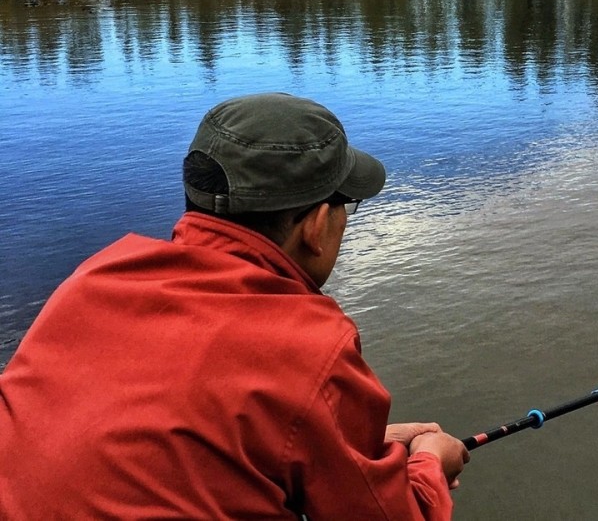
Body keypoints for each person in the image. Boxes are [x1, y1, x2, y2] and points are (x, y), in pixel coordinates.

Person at [0, 92, 470, 519]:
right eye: (346, 206)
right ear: (317, 225)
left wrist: (344, 447)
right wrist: (429, 464)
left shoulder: (94, 279)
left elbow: (150, 439)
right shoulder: (308, 346)